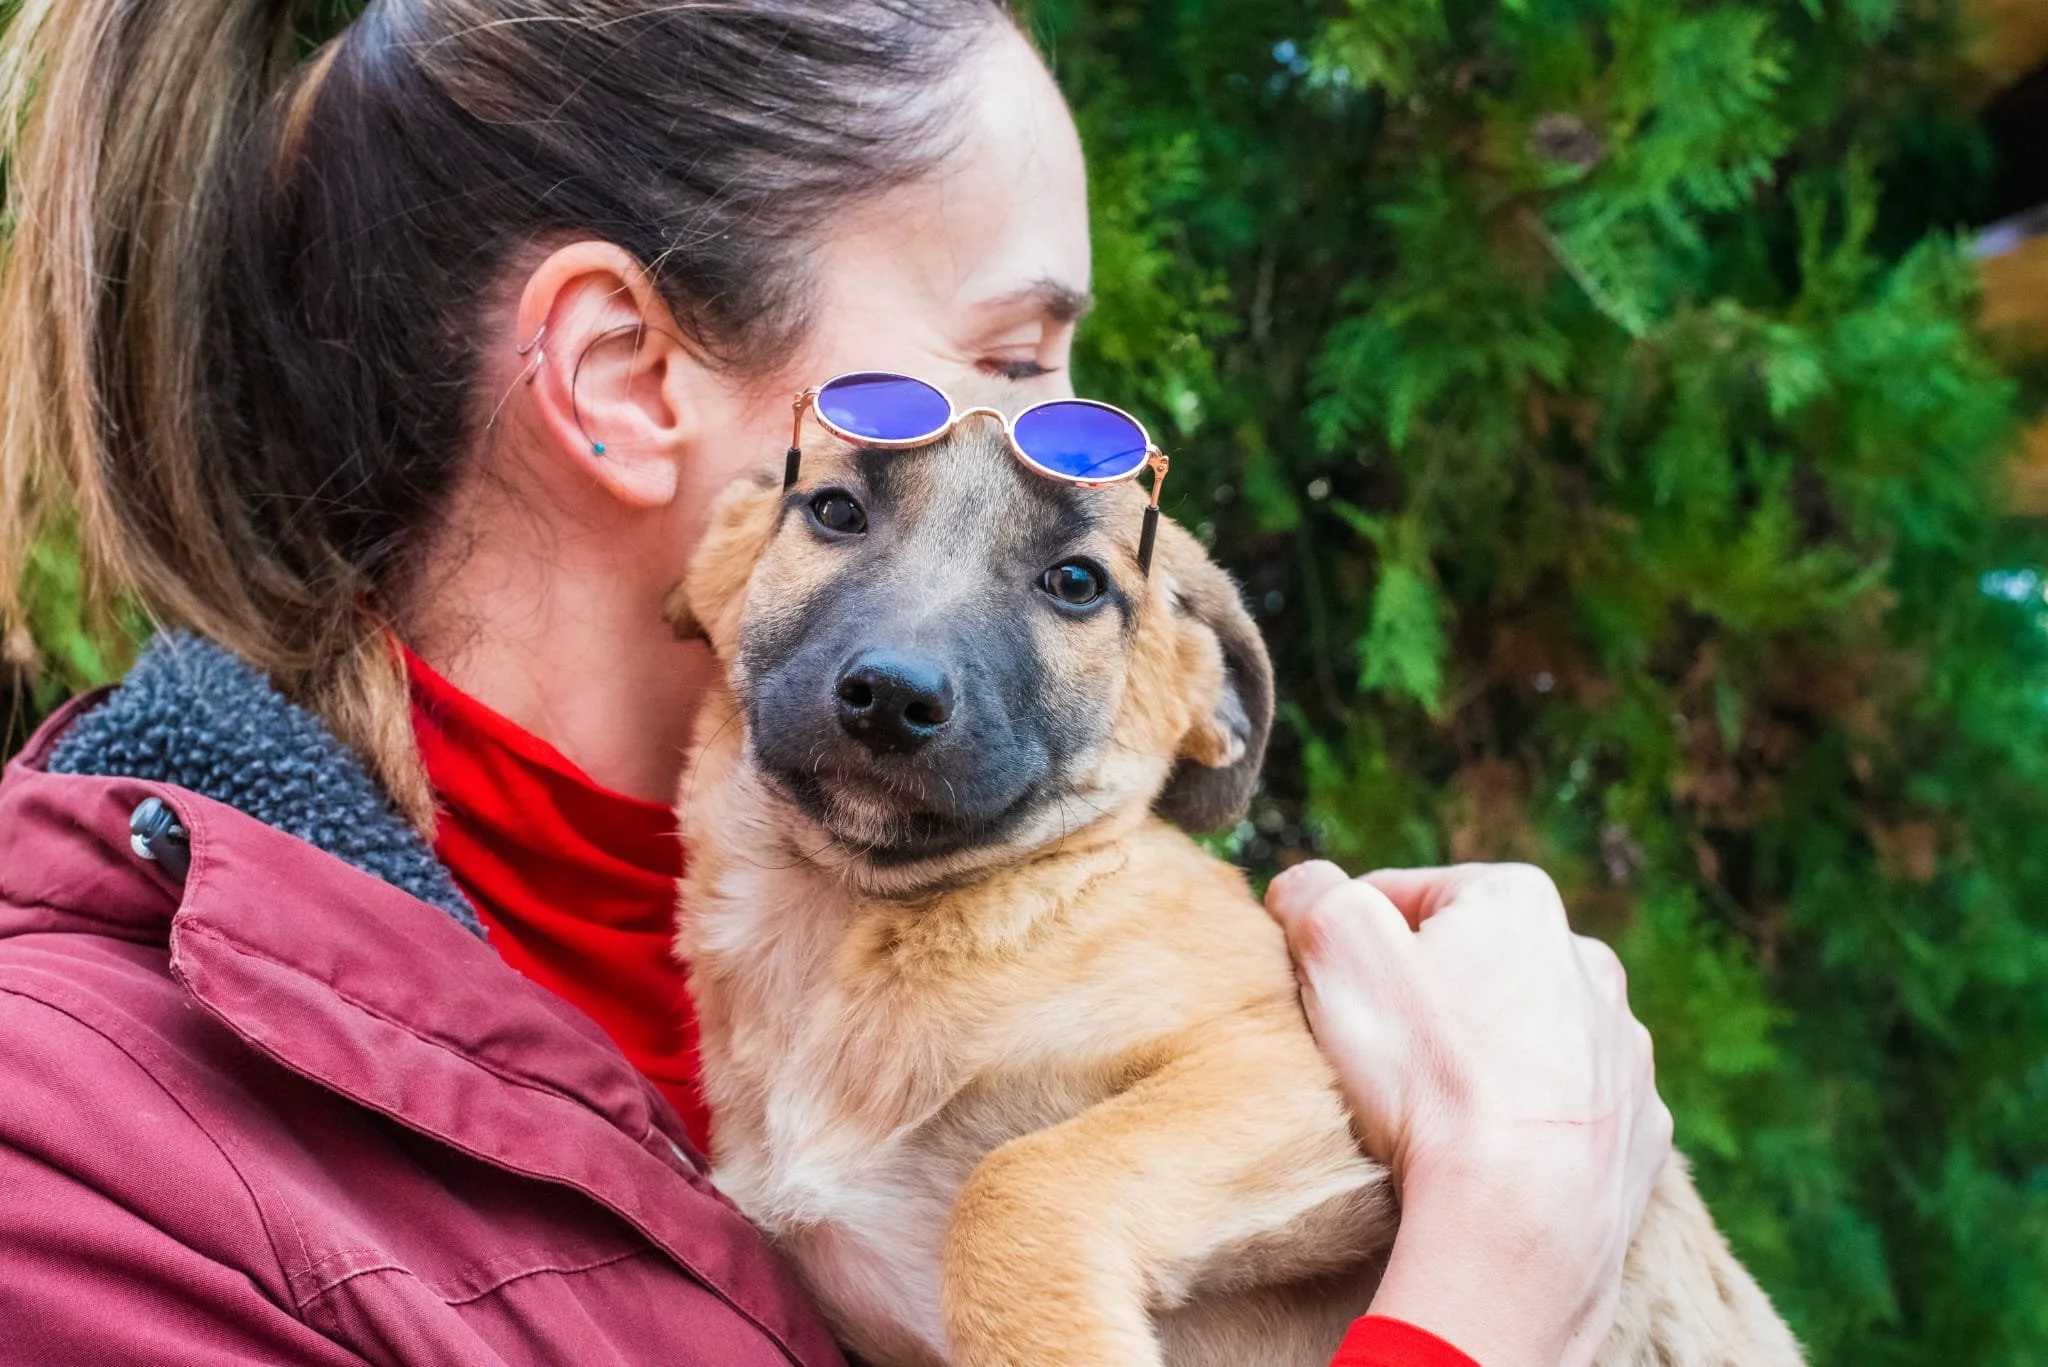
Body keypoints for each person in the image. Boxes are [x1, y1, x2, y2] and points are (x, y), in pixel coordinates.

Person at [0, 1, 1670, 1364]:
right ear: (624, 377)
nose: (1067, 445)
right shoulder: (82, 1155)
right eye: (1011, 362)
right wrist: (1482, 1292)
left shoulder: (980, 990)